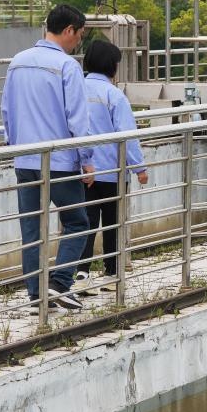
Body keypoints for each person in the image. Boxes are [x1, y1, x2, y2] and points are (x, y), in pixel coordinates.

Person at [1, 4, 94, 311]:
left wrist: (14, 146)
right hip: (59, 161)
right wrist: (87, 160)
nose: (78, 41)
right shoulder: (66, 66)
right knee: (77, 222)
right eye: (79, 35)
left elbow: (6, 111)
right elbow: (78, 119)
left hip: (25, 159)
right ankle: (60, 283)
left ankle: (35, 295)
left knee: (31, 228)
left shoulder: (18, 61)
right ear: (68, 31)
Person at [74, 40, 148, 294]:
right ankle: (111, 273)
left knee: (85, 223)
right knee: (113, 223)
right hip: (113, 172)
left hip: (84, 170)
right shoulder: (114, 95)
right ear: (112, 67)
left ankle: (81, 274)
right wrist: (139, 167)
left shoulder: (76, 90)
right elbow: (127, 134)